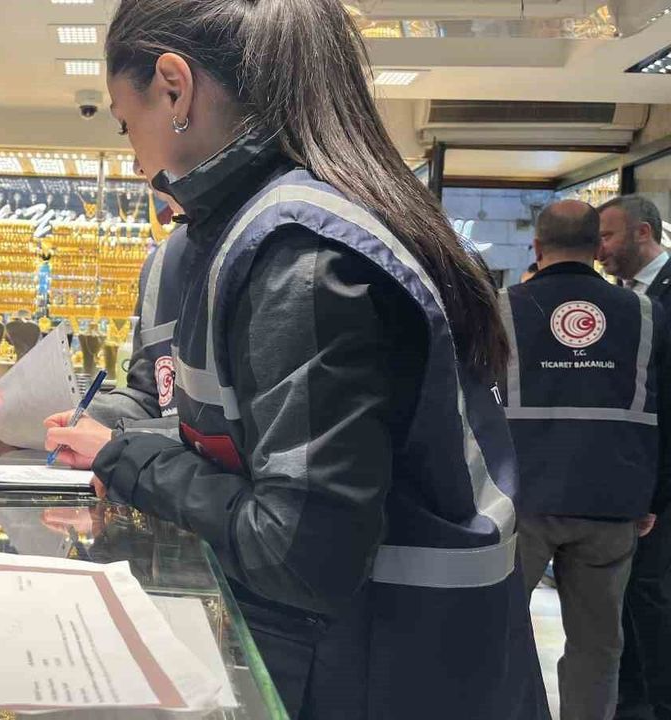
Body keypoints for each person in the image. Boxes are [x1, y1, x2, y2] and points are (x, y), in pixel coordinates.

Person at [40, 0, 548, 717]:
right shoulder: (305, 220)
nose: (135, 160)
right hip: (421, 657)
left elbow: (298, 554)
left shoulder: (296, 255)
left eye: (127, 124)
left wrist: (128, 461)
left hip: (377, 672)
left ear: (175, 89)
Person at [501, 200, 671, 720]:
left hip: (524, 498)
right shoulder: (645, 314)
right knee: (598, 645)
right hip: (612, 499)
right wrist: (653, 497)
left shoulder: (501, 308)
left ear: (537, 246)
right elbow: (665, 408)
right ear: (597, 246)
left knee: (497, 632)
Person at [600, 195, 671, 720]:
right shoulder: (625, 297)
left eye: (607, 236)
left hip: (661, 478)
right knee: (630, 592)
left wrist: (656, 490)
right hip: (634, 474)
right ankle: (631, 699)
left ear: (642, 233)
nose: (599, 249)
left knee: (651, 591)